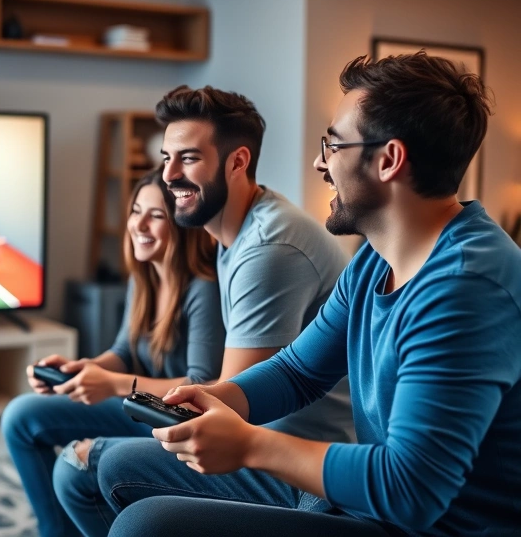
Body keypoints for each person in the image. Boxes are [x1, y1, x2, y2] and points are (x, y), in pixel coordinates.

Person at [109, 53, 521, 536]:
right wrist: (218, 397)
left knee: (146, 525)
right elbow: (299, 371)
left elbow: (412, 489)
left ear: (388, 160)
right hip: (364, 499)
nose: (319, 162)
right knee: (121, 467)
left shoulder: (466, 288)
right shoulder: (375, 258)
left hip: (422, 525)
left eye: (333, 144)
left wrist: (247, 445)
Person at [56, 85, 357, 536]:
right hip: (270, 439)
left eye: (188, 159)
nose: (169, 175)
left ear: (237, 161)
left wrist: (130, 405)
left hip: (297, 462)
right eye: (166, 158)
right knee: (78, 457)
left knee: (92, 465)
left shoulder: (269, 247)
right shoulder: (230, 233)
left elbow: (232, 406)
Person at [1, 167, 226, 537]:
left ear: (182, 226)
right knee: (20, 416)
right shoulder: (144, 279)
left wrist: (114, 384)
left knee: (69, 457)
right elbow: (122, 352)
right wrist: (83, 369)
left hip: (172, 419)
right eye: (136, 211)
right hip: (138, 407)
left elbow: (200, 386)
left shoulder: (203, 289)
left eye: (156, 216)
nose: (139, 224)